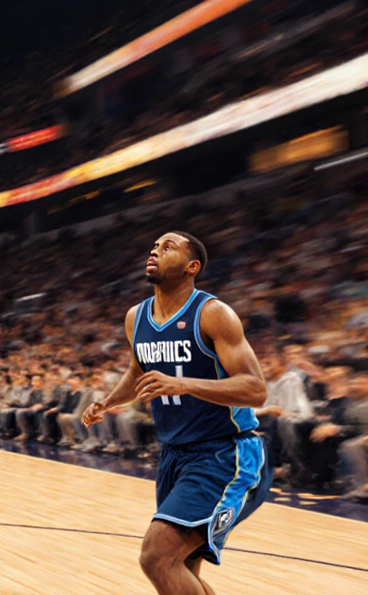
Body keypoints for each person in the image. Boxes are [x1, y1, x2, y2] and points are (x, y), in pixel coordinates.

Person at [83, 232, 270, 595]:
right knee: (181, 569)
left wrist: (185, 384)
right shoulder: (135, 317)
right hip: (174, 455)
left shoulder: (213, 314)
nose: (155, 250)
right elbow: (139, 371)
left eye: (167, 247)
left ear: (191, 266)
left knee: (156, 557)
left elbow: (256, 389)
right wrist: (108, 402)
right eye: (153, 246)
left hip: (224, 452)